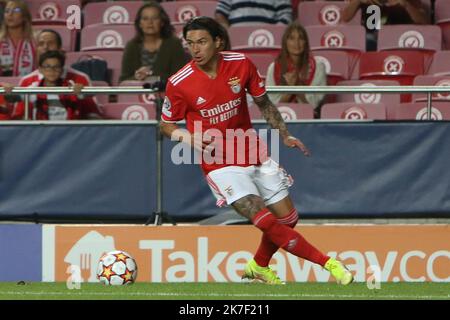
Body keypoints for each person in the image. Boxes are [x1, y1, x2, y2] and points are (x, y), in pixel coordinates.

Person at [160, 16, 353, 285]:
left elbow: (264, 103)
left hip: (251, 150)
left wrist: (284, 135)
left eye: (201, 42)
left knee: (287, 219)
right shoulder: (179, 82)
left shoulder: (240, 64)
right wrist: (186, 137)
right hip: (218, 161)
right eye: (190, 43)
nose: (195, 49)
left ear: (218, 42)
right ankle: (330, 264)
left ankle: (259, 266)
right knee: (258, 214)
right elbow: (165, 125)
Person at [10, 29, 101, 120]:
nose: (45, 47)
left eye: (50, 43)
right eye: (41, 44)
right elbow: (19, 116)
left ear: (60, 49)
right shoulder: (27, 81)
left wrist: (82, 96)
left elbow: (93, 115)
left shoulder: (80, 78)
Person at [266, 22, 326, 118]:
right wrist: (290, 90)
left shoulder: (318, 67)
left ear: (306, 42)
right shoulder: (273, 68)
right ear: (285, 42)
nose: (296, 43)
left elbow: (314, 105)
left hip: (309, 119)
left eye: (301, 38)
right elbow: (272, 106)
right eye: (291, 38)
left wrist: (296, 86)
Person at [119, 1, 189, 84]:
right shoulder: (131, 46)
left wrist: (150, 75)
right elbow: (123, 81)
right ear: (140, 23)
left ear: (162, 22)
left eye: (155, 18)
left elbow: (180, 77)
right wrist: (137, 76)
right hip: (136, 95)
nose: (150, 22)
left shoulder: (174, 44)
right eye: (145, 19)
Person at [342, 0, 430, 51]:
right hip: (373, 36)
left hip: (399, 37)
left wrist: (406, 5)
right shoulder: (369, 2)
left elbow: (424, 21)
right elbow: (345, 18)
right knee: (367, 40)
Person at [0, 0, 35, 77]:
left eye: (16, 10)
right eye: (7, 11)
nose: (10, 14)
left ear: (24, 16)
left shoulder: (35, 42)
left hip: (29, 87)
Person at [215, 0, 293, 28]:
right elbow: (220, 14)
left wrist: (274, 33)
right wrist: (228, 33)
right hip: (236, 40)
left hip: (269, 40)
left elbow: (286, 16)